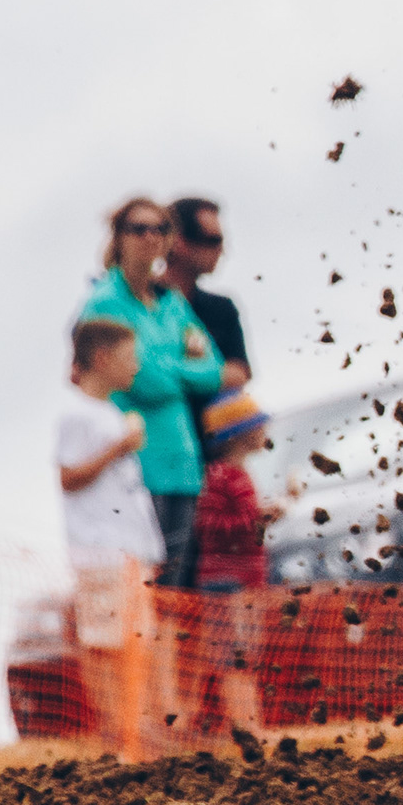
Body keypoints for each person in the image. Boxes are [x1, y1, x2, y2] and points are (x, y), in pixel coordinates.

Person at [80, 196, 232, 590]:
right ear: (119, 237)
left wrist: (164, 367)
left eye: (159, 228)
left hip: (183, 463)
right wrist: (181, 367)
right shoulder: (104, 303)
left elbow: (214, 370)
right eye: (139, 228)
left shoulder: (172, 303)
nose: (150, 237)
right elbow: (144, 380)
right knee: (142, 591)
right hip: (134, 465)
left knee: (176, 595)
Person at [56, 319, 162, 759]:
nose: (136, 367)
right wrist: (119, 448)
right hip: (98, 550)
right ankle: (115, 734)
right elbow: (68, 476)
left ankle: (134, 733)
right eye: (129, 357)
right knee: (104, 642)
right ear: (102, 359)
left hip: (129, 552)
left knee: (136, 641)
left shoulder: (110, 412)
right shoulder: (77, 414)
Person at [190, 387, 274, 738]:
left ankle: (249, 723)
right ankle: (245, 725)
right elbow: (208, 525)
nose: (265, 430)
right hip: (225, 580)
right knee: (234, 657)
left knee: (246, 655)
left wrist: (258, 518)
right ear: (240, 434)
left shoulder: (237, 475)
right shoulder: (219, 476)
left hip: (245, 579)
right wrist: (257, 518)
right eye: (257, 424)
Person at [166, 197, 251, 388]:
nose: (222, 251)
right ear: (178, 241)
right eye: (213, 240)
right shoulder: (139, 301)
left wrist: (169, 373)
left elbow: (240, 374)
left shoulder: (221, 308)